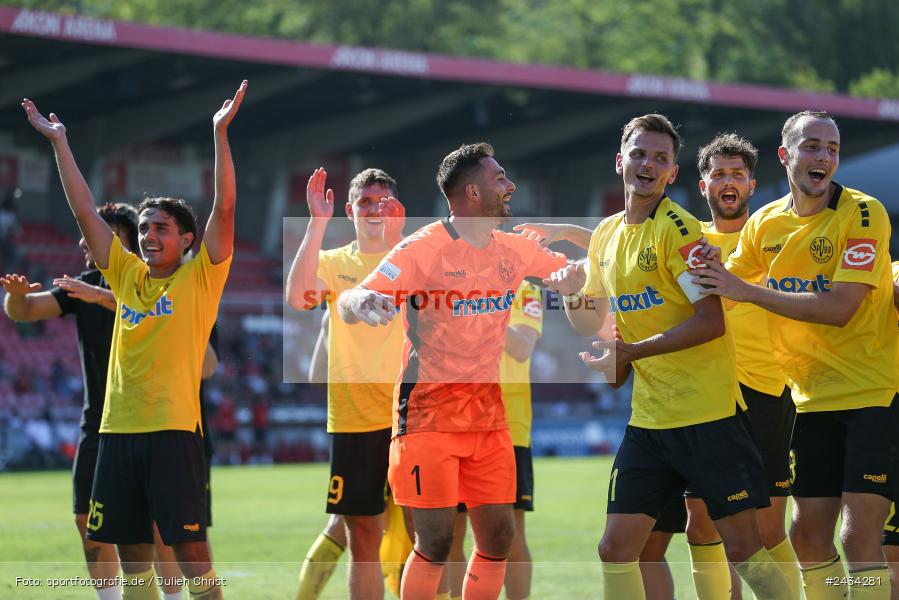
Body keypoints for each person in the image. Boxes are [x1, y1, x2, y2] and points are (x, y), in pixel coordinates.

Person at [545, 113, 789, 599]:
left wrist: (633, 351)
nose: (648, 165)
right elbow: (588, 323)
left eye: (660, 158)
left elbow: (711, 320)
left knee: (745, 547)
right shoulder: (606, 234)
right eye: (639, 154)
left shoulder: (679, 231)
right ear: (620, 162)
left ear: (673, 173)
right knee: (616, 549)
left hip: (709, 419)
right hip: (649, 421)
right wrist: (572, 293)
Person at [21, 79, 246, 600]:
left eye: (160, 229)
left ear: (186, 239)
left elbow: (226, 207)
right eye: (144, 229)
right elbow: (83, 211)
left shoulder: (201, 276)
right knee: (133, 559)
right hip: (116, 433)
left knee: (191, 556)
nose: (148, 236)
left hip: (173, 434)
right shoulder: (125, 275)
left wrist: (220, 133)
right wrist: (60, 143)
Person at [337, 142, 568, 599]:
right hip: (427, 419)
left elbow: (573, 275)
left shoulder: (515, 249)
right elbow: (350, 299)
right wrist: (359, 300)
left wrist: (577, 278)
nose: (510, 186)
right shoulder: (421, 249)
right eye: (499, 178)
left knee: (499, 538)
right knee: (436, 542)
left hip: (489, 420)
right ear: (472, 193)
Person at [693, 110, 898, 600]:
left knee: (857, 537)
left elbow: (840, 309)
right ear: (786, 156)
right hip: (810, 401)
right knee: (806, 539)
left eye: (832, 148)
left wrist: (746, 290)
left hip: (873, 395)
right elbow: (724, 288)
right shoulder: (765, 222)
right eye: (812, 146)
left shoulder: (863, 212)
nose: (824, 156)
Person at [285, 167, 406, 600]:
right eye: (364, 202)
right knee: (363, 539)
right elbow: (297, 297)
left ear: (396, 208)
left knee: (428, 536)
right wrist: (317, 222)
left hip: (412, 417)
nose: (373, 210)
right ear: (350, 211)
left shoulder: (414, 255)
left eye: (382, 202)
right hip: (355, 419)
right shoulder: (336, 263)